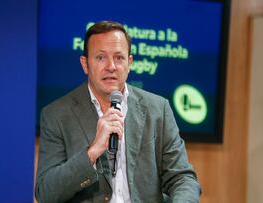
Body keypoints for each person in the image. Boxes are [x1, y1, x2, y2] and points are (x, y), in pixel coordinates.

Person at [35, 20, 201, 203]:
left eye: (119, 58)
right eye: (100, 57)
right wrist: (92, 152)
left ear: (129, 63)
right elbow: (45, 193)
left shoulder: (158, 109)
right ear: (85, 64)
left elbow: (182, 178)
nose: (111, 66)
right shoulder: (56, 115)